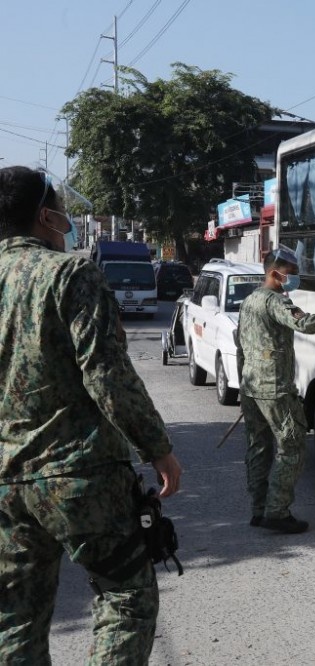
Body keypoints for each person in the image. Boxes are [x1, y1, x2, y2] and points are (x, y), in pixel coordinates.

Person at [0, 166, 182, 663]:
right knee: (126, 597)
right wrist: (158, 449)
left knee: (14, 620)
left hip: (6, 486)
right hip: (80, 477)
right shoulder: (69, 273)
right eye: (60, 209)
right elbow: (108, 376)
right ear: (46, 216)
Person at [236, 247, 315, 534]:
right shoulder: (274, 302)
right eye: (290, 274)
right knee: (292, 447)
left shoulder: (249, 301)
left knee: (258, 448)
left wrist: (244, 385)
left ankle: (258, 510)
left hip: (251, 387)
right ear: (274, 273)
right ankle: (277, 512)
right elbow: (306, 323)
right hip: (275, 389)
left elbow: (240, 347)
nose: (293, 279)